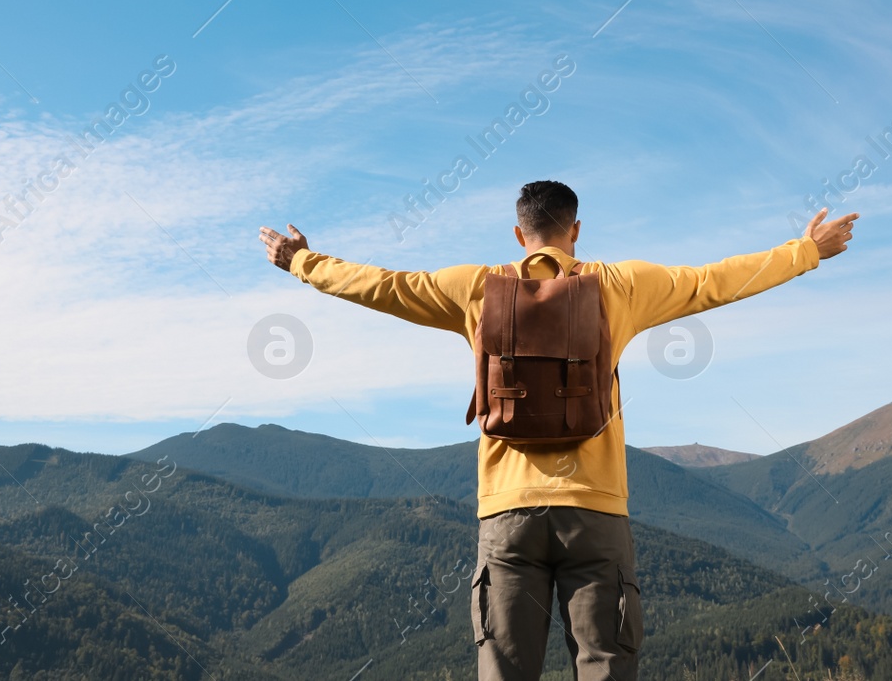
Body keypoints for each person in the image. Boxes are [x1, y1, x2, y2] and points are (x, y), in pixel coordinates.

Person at [259, 179, 858, 681]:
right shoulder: (620, 286)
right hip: (595, 513)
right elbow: (715, 280)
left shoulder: (475, 288)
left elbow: (382, 286)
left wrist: (300, 261)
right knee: (604, 667)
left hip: (507, 514)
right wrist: (807, 250)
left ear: (519, 234)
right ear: (576, 230)